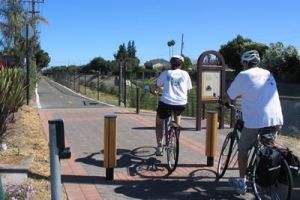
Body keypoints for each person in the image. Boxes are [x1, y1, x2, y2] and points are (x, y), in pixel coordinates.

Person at [225, 50, 283, 194]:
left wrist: (223, 101)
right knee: (268, 150)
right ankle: (265, 179)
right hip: (275, 118)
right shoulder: (268, 73)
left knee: (243, 149)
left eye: (243, 63)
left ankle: (241, 182)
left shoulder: (244, 75)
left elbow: (229, 95)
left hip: (257, 120)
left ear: (246, 63)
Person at [152, 55, 192, 156]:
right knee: (177, 114)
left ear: (170, 64)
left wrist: (155, 90)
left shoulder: (166, 73)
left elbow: (156, 85)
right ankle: (175, 136)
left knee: (159, 123)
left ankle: (159, 146)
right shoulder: (185, 74)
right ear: (181, 65)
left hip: (166, 103)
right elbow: (189, 90)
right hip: (181, 103)